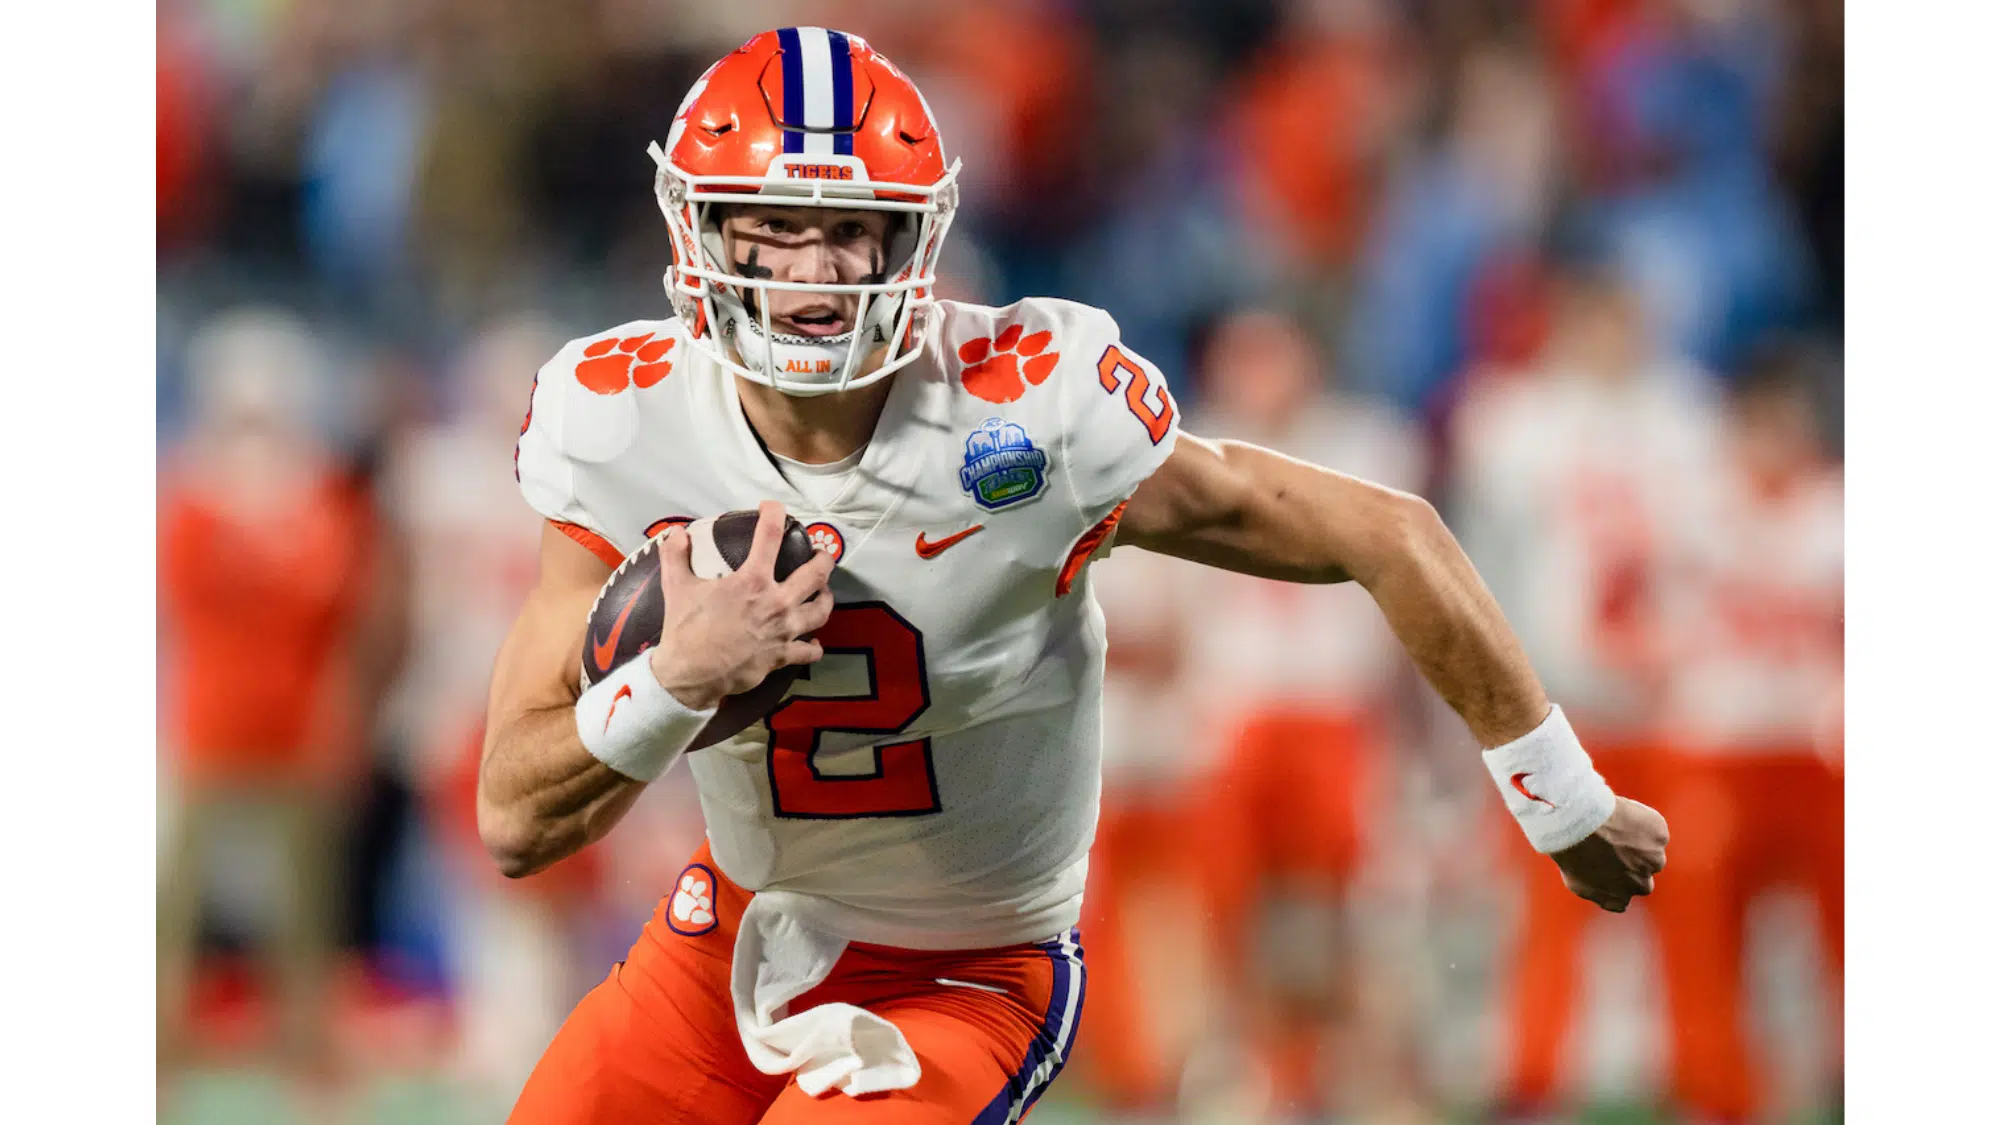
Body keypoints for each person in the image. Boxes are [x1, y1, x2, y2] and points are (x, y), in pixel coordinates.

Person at [479, 29, 1668, 1124]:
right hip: (732, 927)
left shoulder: (1027, 417)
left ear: (916, 241)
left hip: (968, 969)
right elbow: (515, 820)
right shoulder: (624, 421)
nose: (815, 270)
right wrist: (676, 680)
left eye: (851, 230)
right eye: (774, 226)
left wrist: (1558, 798)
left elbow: (1385, 532)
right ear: (702, 230)